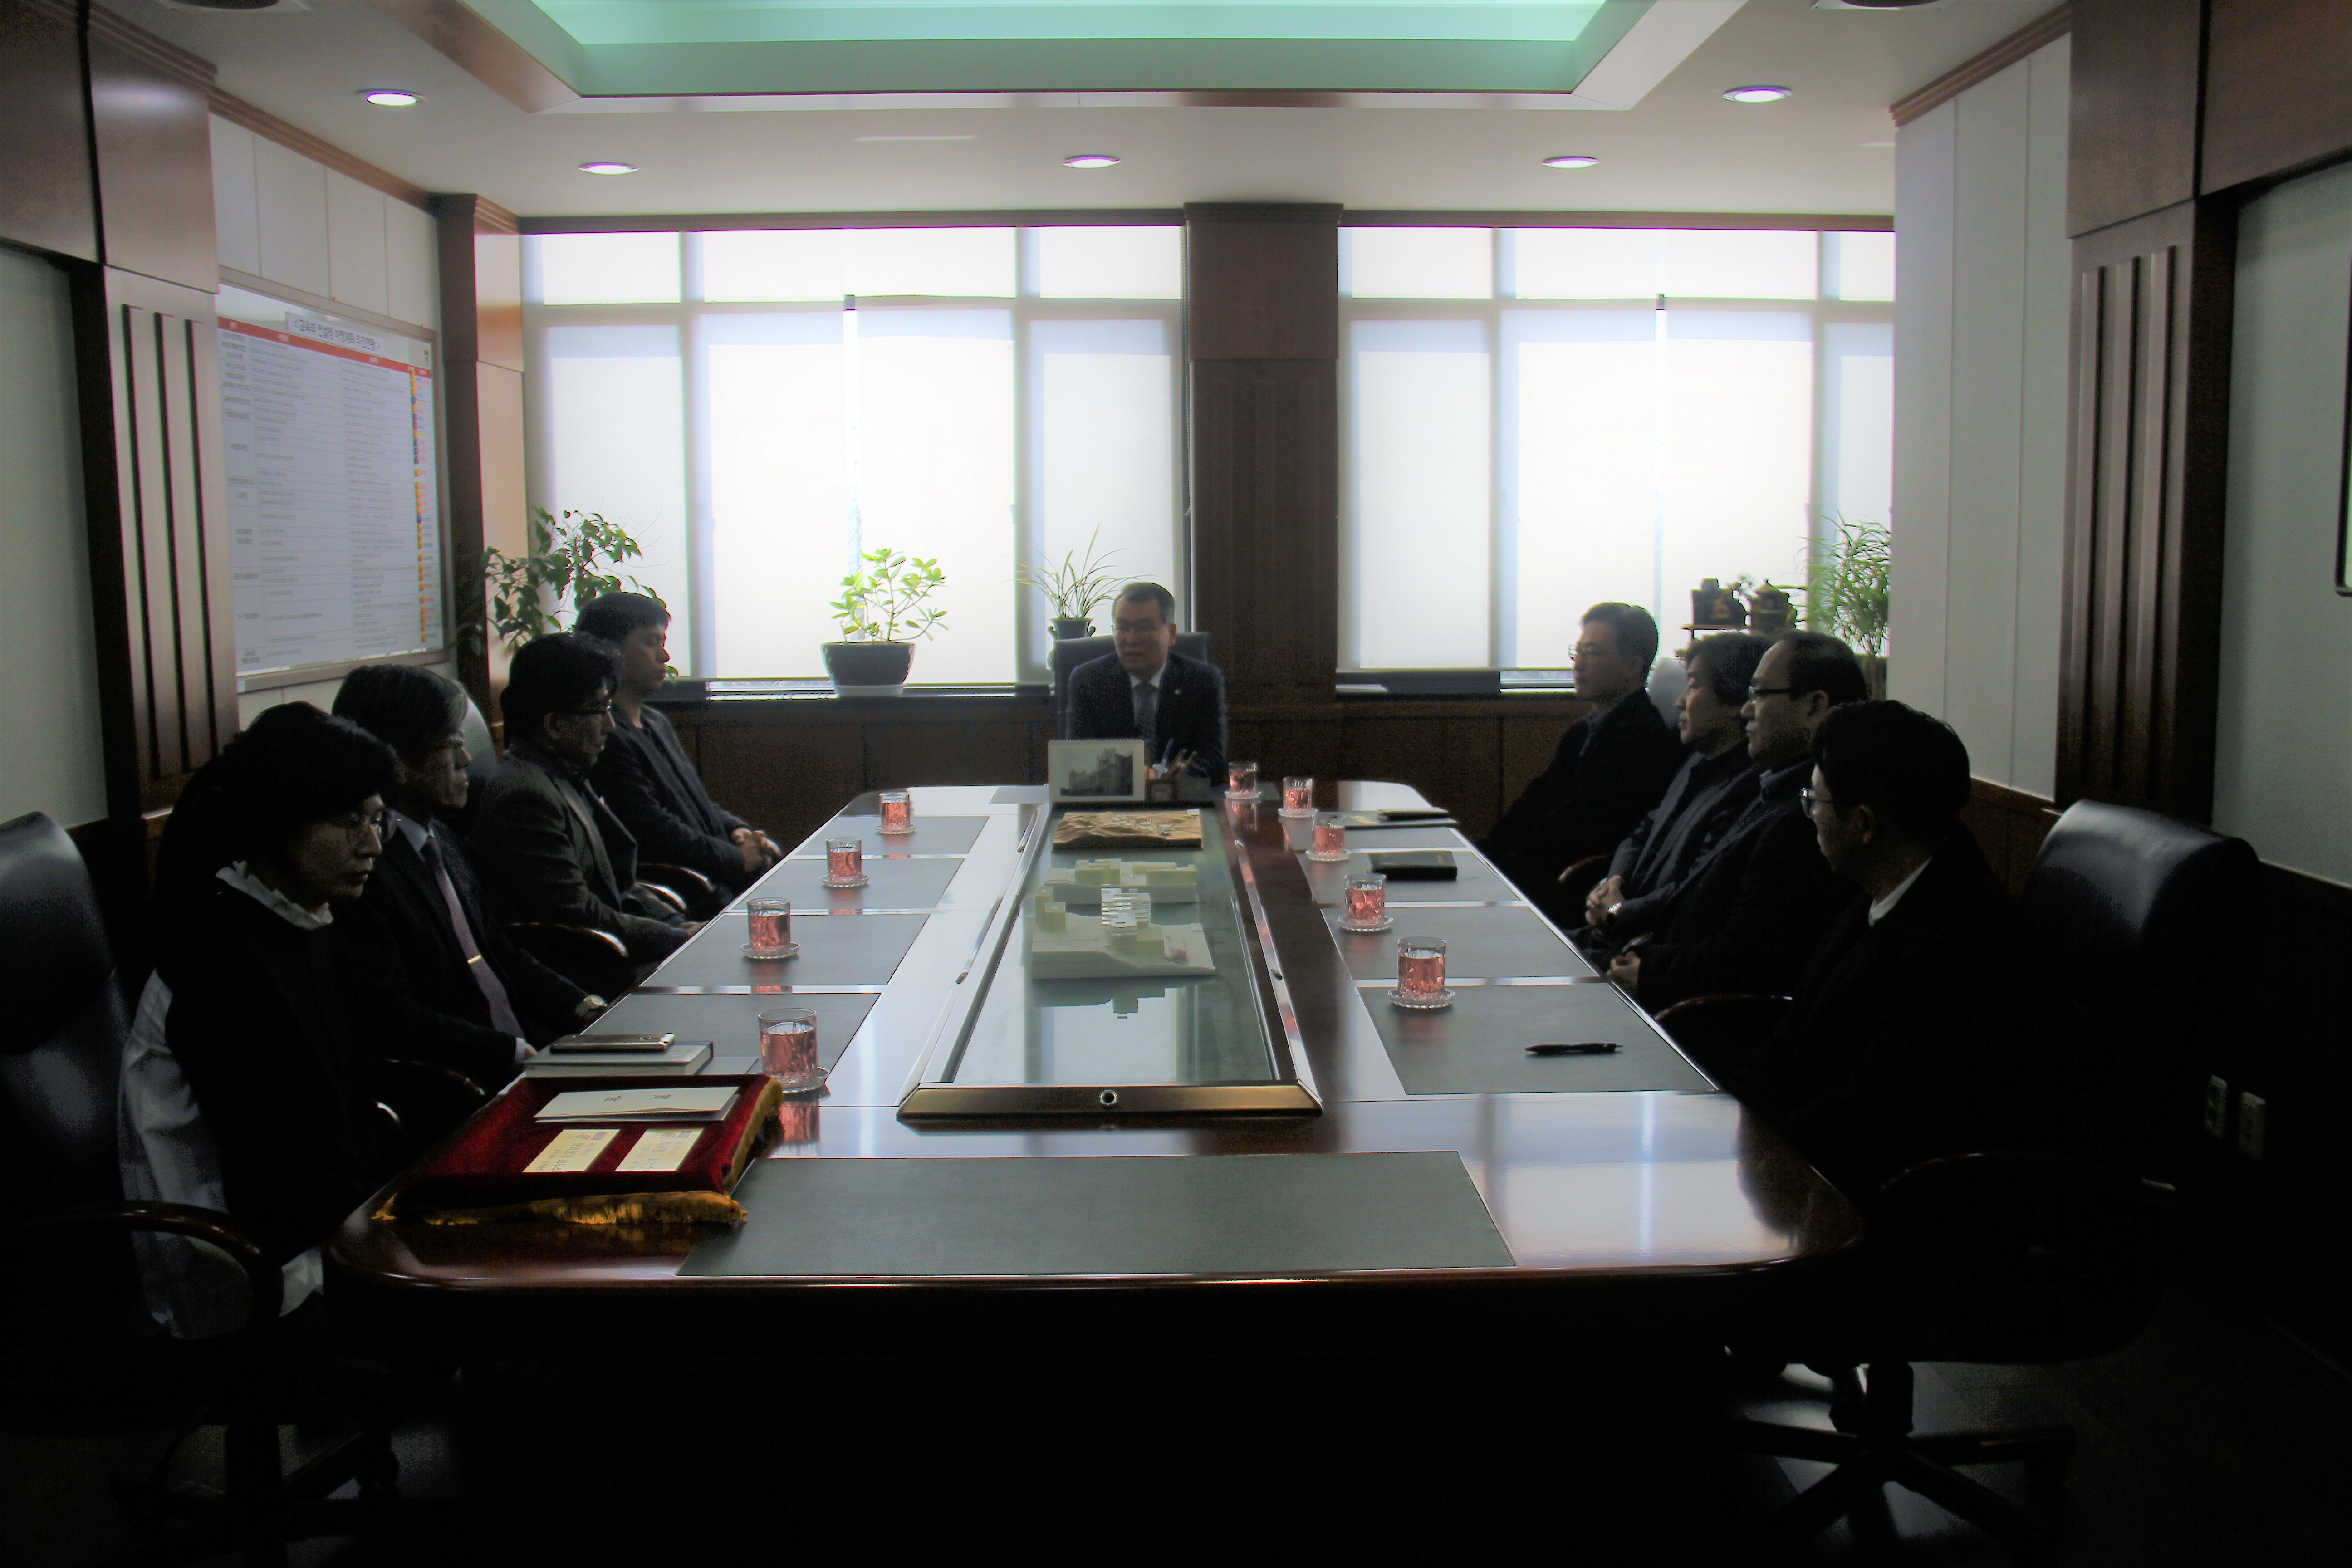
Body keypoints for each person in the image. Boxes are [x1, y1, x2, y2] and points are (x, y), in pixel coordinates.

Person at [119, 704, 409, 1333]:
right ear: (277, 824)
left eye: (376, 820)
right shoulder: (220, 964)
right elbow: (272, 1174)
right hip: (248, 1264)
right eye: (349, 823)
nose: (372, 845)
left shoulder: (307, 917)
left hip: (320, 1222)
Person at [1730, 701, 2028, 1194]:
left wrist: (1745, 1155)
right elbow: (1791, 1039)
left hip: (1888, 1203)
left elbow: (1870, 1118)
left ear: (1864, 825)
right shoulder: (1890, 883)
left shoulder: (1962, 951)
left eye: (1814, 802)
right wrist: (1724, 1113)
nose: (1809, 818)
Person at [332, 663, 608, 1082]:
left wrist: (584, 1007)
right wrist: (511, 1053)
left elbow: (499, 952)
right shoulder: (367, 872)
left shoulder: (442, 838)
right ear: (396, 759)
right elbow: (395, 1016)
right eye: (452, 744)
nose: (466, 759)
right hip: (467, 1079)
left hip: (522, 1048)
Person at [1600, 631, 1865, 1013]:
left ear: (1813, 706)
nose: (1746, 710)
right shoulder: (1771, 787)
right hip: (1655, 961)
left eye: (1759, 694)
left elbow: (1749, 957)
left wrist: (1653, 970)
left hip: (1696, 1013)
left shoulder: (1808, 816)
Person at [470, 633, 693, 971]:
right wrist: (677, 938)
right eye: (599, 710)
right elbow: (580, 913)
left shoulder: (560, 770)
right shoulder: (525, 798)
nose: (610, 726)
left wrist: (677, 924)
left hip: (620, 944)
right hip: (592, 967)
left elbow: (618, 884)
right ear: (554, 724)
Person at [1480, 603, 1686, 917]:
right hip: (1540, 869)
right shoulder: (1584, 728)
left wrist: (1504, 872)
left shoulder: (1640, 737)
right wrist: (1484, 853)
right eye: (1577, 653)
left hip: (1576, 887)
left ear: (1632, 666)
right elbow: (1536, 799)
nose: (1578, 665)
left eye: (1592, 654)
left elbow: (1573, 825)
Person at [578, 591, 780, 897]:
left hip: (717, 874)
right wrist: (735, 857)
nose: (665, 657)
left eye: (663, 643)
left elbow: (697, 804)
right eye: (651, 642)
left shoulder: (656, 721)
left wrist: (736, 831)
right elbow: (652, 829)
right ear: (609, 651)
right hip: (687, 890)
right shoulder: (607, 735)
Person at [1583, 632, 1770, 946]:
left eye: (1693, 686)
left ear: (1735, 701)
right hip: (1618, 929)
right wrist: (1614, 882)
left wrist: (1618, 912)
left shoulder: (1747, 788)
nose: (1679, 701)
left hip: (1650, 946)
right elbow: (1644, 830)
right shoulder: (1696, 759)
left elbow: (1695, 886)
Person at [1063, 582, 1227, 784]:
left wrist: (1162, 778)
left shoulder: (1201, 681)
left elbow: (1213, 760)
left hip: (1178, 797)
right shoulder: (1088, 681)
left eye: (1143, 628)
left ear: (1172, 634)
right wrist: (1129, 775)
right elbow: (1079, 757)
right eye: (1122, 628)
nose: (1132, 639)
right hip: (1111, 797)